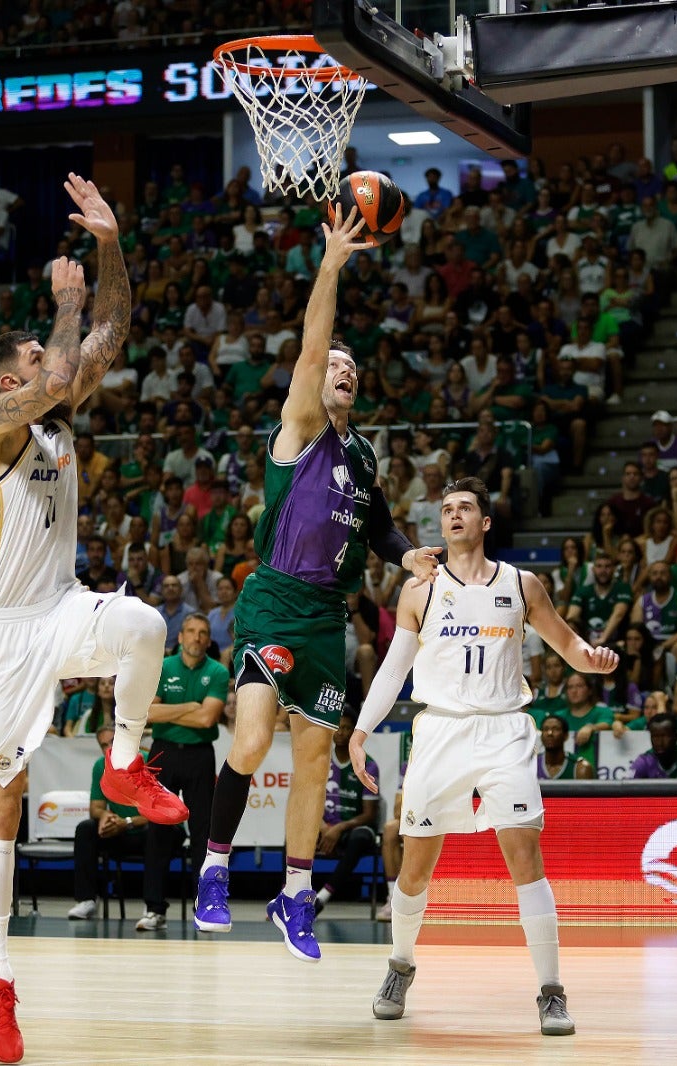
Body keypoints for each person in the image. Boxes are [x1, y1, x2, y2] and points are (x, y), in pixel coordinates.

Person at [0, 174, 188, 1061]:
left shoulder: (54, 421)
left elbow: (108, 340)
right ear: (10, 380)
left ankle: (124, 765)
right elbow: (61, 363)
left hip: (57, 605)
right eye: (33, 351)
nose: (50, 354)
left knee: (144, 628)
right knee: (3, 795)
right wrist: (65, 299)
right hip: (1, 632)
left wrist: (111, 245)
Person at [193, 208, 440, 962]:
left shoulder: (364, 456)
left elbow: (379, 529)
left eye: (354, 369)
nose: (346, 371)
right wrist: (331, 264)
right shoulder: (299, 427)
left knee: (311, 760)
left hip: (327, 616)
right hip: (274, 598)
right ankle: (213, 868)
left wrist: (407, 557)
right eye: (338, 365)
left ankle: (295, 894)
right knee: (254, 737)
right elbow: (309, 351)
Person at [348, 477, 615, 1033]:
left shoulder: (522, 585)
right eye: (446, 509)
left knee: (525, 860)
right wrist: (362, 729)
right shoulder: (419, 589)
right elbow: (396, 668)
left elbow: (569, 646)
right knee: (416, 867)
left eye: (465, 508)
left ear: (485, 522)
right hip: (440, 731)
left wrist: (594, 660)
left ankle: (551, 990)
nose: (454, 516)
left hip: (502, 732)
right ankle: (400, 964)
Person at [136, 612, 228, 932]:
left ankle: (203, 909)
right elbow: (148, 713)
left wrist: (171, 712)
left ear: (208, 639)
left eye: (203, 633)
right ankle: (154, 908)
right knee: (158, 830)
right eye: (191, 631)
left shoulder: (217, 671)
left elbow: (207, 720)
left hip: (201, 755)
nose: (197, 638)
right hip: (163, 752)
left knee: (203, 832)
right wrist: (191, 706)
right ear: (180, 637)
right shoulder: (162, 667)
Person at [66, 723, 150, 921]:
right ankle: (86, 900)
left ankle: (153, 906)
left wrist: (127, 822)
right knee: (86, 828)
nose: (108, 748)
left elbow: (158, 812)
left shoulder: (146, 762)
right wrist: (106, 817)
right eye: (103, 745)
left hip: (150, 829)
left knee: (156, 831)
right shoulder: (100, 766)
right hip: (122, 830)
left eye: (112, 742)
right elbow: (95, 808)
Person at [314, 705, 381, 912]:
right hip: (324, 827)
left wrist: (339, 828)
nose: (341, 732)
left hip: (351, 829)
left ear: (354, 732)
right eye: (338, 727)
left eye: (347, 728)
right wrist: (323, 827)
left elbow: (370, 814)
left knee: (361, 836)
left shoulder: (368, 765)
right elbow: (308, 800)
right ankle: (287, 894)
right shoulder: (320, 759)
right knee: (295, 832)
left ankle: (322, 897)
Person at [629, 711, 677, 778]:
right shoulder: (645, 760)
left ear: (676, 737)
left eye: (664, 736)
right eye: (655, 737)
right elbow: (626, 786)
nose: (659, 742)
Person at [537, 714, 595, 779]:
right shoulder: (531, 764)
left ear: (566, 735)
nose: (549, 733)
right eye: (545, 729)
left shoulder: (581, 767)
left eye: (555, 729)